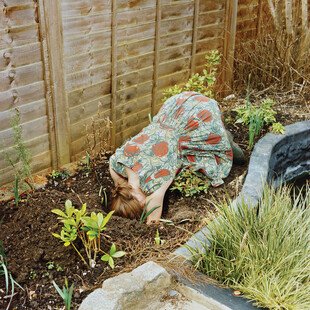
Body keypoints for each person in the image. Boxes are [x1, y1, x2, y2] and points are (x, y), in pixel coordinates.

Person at [109, 91, 244, 224]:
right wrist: (119, 182)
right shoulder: (120, 161)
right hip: (178, 107)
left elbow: (153, 216)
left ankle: (226, 140)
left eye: (141, 205)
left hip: (198, 117)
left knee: (216, 151)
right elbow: (111, 164)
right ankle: (219, 134)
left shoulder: (154, 181)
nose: (144, 204)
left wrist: (149, 223)